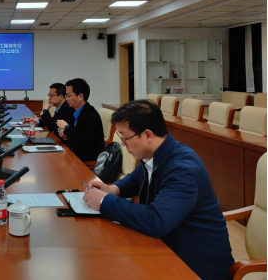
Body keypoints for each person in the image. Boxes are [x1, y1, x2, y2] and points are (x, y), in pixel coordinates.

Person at [84, 100, 234, 280]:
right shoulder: (157, 153)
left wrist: (104, 201)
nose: (123, 144)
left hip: (196, 265)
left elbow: (157, 220)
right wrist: (113, 189)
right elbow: (136, 178)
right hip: (167, 247)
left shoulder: (183, 169)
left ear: (148, 135)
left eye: (125, 138)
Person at [56, 78, 104, 162]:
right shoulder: (77, 112)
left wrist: (67, 128)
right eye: (66, 96)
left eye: (68, 96)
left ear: (80, 96)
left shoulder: (90, 115)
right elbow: (77, 137)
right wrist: (66, 136)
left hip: (87, 161)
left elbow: (84, 143)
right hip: (76, 156)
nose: (66, 99)